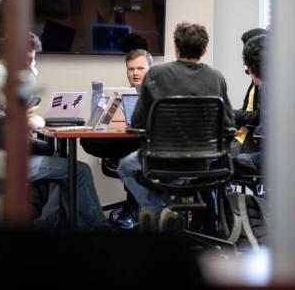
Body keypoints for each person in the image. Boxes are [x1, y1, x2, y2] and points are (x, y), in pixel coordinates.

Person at [117, 22, 234, 218]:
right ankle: (171, 212)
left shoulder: (156, 74)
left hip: (160, 161)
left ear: (176, 48)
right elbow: (229, 125)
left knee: (125, 167)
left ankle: (158, 209)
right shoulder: (217, 77)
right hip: (203, 163)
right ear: (204, 50)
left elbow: (137, 124)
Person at [80, 48, 153, 229]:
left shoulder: (160, 94)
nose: (135, 73)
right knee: (88, 140)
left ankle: (133, 205)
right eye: (131, 69)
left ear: (150, 70)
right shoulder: (121, 96)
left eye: (140, 68)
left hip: (153, 148)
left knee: (130, 152)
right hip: (129, 143)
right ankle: (133, 203)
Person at [232, 28, 268, 155]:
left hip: (254, 141)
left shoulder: (266, 83)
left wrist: (231, 114)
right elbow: (247, 109)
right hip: (242, 134)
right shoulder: (256, 80)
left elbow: (259, 117)